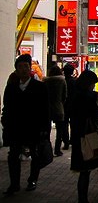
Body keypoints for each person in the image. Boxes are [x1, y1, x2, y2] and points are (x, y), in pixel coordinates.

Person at [1, 54, 50, 196]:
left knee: (35, 155)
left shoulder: (40, 87)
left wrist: (45, 129)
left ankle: (32, 180)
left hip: (34, 128)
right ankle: (14, 183)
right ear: (16, 69)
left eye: (26, 66)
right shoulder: (11, 88)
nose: (23, 69)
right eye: (20, 67)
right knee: (13, 155)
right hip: (15, 128)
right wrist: (5, 123)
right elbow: (7, 107)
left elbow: (45, 110)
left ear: (30, 69)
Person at [70, 70, 98, 203]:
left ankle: (83, 198)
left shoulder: (75, 94)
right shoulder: (85, 97)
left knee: (84, 170)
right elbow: (92, 114)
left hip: (78, 135)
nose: (93, 87)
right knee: (85, 170)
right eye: (92, 84)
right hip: (86, 136)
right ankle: (83, 199)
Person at [43, 64, 67, 156]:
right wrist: (61, 103)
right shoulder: (62, 81)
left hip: (47, 108)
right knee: (59, 131)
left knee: (47, 131)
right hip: (58, 108)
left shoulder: (45, 82)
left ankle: (47, 150)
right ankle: (57, 150)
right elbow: (65, 95)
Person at [62, 63, 77, 150]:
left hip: (64, 105)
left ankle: (66, 142)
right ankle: (73, 140)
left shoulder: (63, 81)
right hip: (74, 106)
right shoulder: (75, 81)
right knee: (73, 124)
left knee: (64, 125)